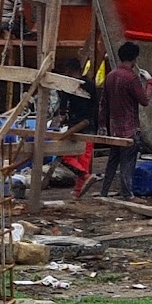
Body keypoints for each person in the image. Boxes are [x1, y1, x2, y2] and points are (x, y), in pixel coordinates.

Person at [98, 42, 152, 198]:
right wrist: (149, 82)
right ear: (134, 59)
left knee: (112, 161)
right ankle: (127, 194)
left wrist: (102, 124)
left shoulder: (111, 76)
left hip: (114, 128)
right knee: (127, 163)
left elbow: (103, 103)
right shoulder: (131, 78)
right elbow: (145, 100)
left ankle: (104, 191)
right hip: (129, 129)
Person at [57, 57, 99, 198]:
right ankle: (78, 190)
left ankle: (85, 177)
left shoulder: (68, 85)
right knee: (84, 160)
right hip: (90, 125)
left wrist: (61, 121)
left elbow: (63, 110)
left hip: (75, 126)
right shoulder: (91, 84)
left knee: (65, 157)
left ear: (68, 71)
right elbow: (95, 105)